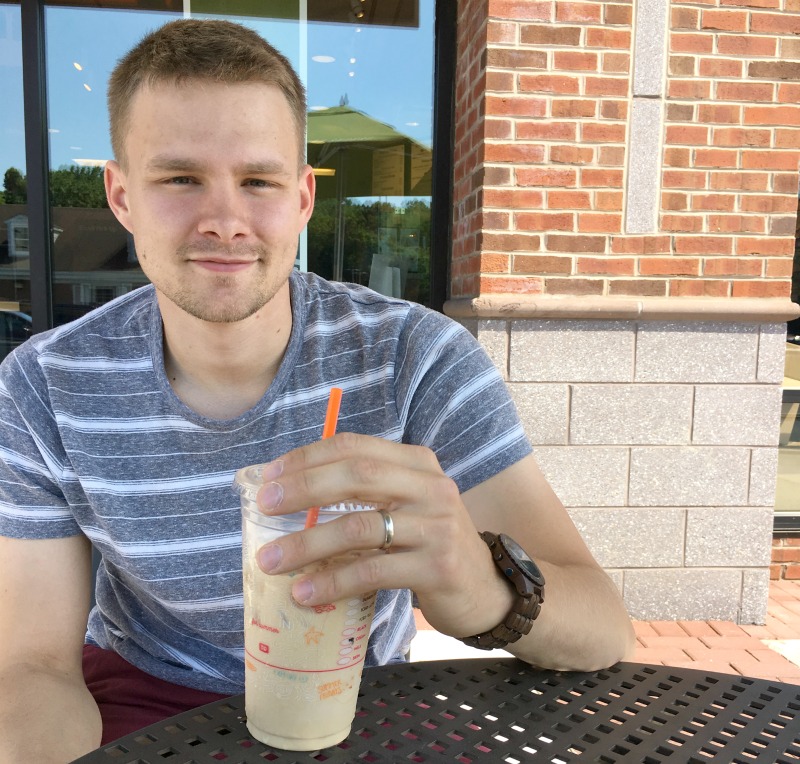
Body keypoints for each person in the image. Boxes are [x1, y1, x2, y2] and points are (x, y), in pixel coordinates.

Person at [0, 18, 634, 763]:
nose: (225, 221)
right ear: (121, 195)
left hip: (356, 701)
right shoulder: (45, 384)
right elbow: (31, 666)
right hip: (146, 697)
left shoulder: (412, 357)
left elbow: (602, 627)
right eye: (179, 178)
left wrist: (485, 590)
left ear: (302, 199)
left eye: (258, 181)